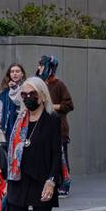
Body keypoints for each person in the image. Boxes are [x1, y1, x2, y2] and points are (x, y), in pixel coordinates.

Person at [2, 77, 65, 211]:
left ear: (42, 95)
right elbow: (11, 150)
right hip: (18, 178)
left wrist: (51, 181)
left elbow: (57, 154)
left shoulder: (51, 121)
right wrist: (6, 178)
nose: (28, 98)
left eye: (32, 94)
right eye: (24, 94)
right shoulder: (19, 119)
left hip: (42, 179)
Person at [37, 54, 74, 196]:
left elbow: (69, 105)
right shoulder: (39, 84)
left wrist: (53, 106)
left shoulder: (58, 84)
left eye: (41, 65)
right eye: (39, 65)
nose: (39, 68)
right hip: (43, 127)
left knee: (61, 156)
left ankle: (64, 183)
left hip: (59, 128)